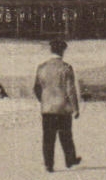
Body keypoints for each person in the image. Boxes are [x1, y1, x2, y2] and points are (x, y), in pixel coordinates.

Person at [33, 39, 82, 172]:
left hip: (47, 108)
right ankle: (70, 159)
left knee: (48, 137)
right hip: (63, 107)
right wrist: (75, 108)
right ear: (63, 51)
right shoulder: (66, 67)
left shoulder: (42, 67)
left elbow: (36, 88)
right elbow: (70, 89)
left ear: (51, 50)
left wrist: (43, 100)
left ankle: (49, 164)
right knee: (66, 135)